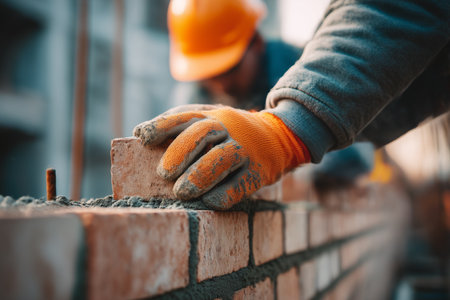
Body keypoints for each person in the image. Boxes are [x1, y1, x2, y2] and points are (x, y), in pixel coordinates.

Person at [134, 0, 449, 210]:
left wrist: (287, 136)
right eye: (207, 77)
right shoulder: (192, 91)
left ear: (255, 43)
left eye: (228, 69)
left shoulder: (300, 66)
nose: (221, 85)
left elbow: (357, 153)